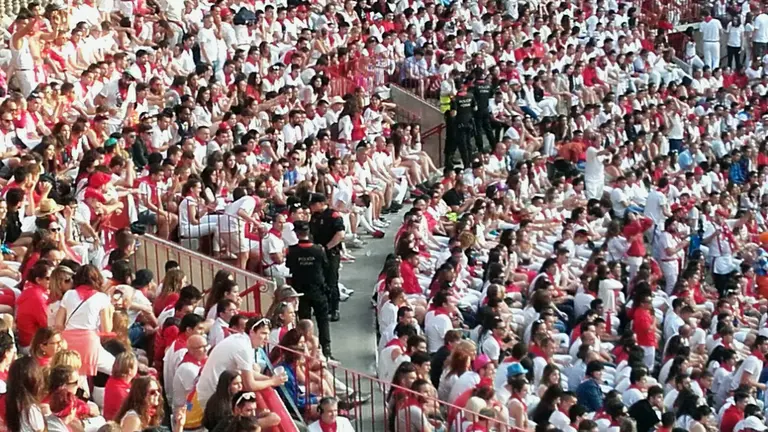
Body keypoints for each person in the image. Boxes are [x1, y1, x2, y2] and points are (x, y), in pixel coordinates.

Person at [196, 316, 288, 407]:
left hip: (211, 392)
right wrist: (272, 382)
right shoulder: (244, 348)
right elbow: (250, 385)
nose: (267, 338)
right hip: (212, 397)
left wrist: (270, 379)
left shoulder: (241, 340)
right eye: (263, 333)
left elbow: (249, 372)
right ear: (252, 332)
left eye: (268, 334)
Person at [286, 220, 332, 357]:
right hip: (318, 289)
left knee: (304, 322)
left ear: (296, 233)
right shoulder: (318, 250)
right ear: (308, 233)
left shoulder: (292, 251)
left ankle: (305, 350)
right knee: (323, 320)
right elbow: (326, 266)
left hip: (300, 290)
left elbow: (290, 267)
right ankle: (326, 350)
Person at [308, 193, 344, 322]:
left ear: (321, 203)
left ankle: (334, 309)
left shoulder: (333, 216)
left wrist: (327, 247)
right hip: (318, 252)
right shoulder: (314, 217)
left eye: (313, 204)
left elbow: (340, 234)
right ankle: (325, 306)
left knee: (331, 281)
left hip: (330, 252)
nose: (311, 207)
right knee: (320, 280)